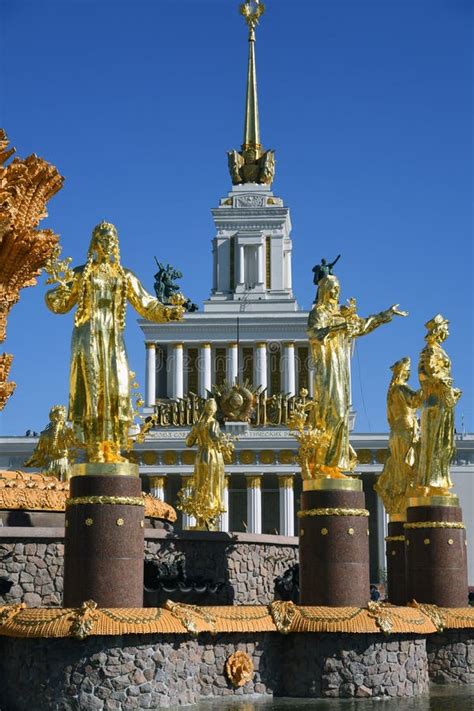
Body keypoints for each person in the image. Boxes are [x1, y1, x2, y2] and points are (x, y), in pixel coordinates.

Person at [45, 222, 184, 463]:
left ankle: (112, 447)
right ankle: (95, 447)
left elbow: (146, 303)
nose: (108, 243)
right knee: (93, 390)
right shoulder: (82, 273)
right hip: (88, 337)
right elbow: (60, 304)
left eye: (112, 239)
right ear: (95, 243)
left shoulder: (124, 275)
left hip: (113, 339)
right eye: (103, 238)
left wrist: (170, 312)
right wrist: (56, 294)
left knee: (117, 388)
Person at [307, 274, 407, 477]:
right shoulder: (319, 312)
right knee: (330, 412)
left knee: (342, 412)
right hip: (327, 371)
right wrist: (338, 326)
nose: (335, 292)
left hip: (341, 370)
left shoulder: (341, 315)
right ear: (324, 289)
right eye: (332, 287)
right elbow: (315, 334)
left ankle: (335, 463)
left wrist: (384, 315)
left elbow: (363, 325)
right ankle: (324, 464)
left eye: (338, 288)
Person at [415, 314, 461, 492]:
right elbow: (424, 375)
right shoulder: (430, 350)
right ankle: (433, 482)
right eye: (445, 327)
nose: (447, 331)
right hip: (436, 401)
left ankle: (440, 481)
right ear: (438, 330)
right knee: (436, 442)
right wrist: (441, 381)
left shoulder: (438, 350)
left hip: (444, 400)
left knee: (444, 442)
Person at [374, 358, 421, 515]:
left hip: (396, 432)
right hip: (406, 431)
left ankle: (399, 498)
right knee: (407, 467)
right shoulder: (401, 389)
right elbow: (415, 400)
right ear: (404, 374)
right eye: (407, 372)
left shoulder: (392, 391)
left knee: (399, 466)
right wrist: (429, 385)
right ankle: (404, 497)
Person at [180, 398, 234, 529]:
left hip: (200, 456)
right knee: (212, 484)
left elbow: (188, 442)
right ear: (214, 410)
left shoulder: (198, 424)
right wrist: (226, 444)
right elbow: (215, 436)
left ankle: (201, 518)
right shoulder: (213, 423)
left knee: (200, 484)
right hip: (212, 456)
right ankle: (209, 517)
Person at [24, 404, 76, 480]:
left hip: (49, 465)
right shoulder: (68, 432)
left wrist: (28, 462)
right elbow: (76, 444)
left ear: (51, 417)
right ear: (63, 417)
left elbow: (38, 453)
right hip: (63, 465)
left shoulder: (45, 434)